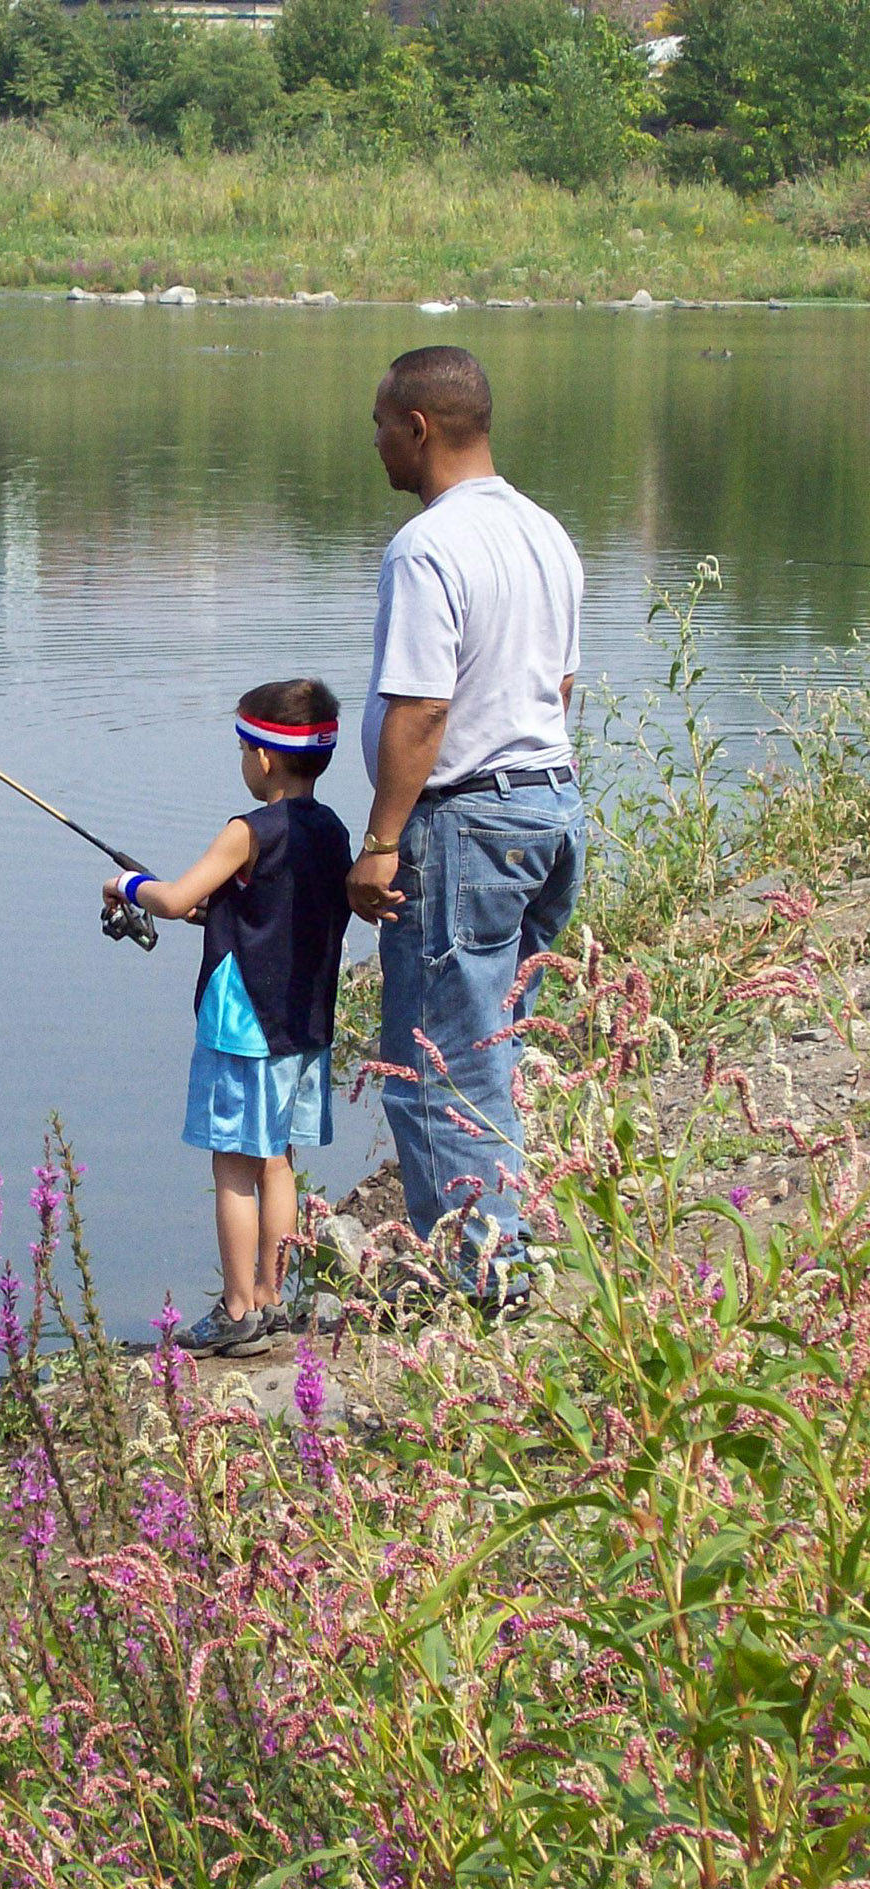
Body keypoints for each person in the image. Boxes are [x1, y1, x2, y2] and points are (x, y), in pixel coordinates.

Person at [346, 345, 585, 1302]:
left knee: (437, 1056)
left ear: (418, 427)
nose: (374, 445)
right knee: (493, 1042)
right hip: (548, 806)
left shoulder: (428, 546)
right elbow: (558, 686)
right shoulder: (546, 533)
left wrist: (379, 843)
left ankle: (483, 1286)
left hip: (466, 823)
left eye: (378, 426)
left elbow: (421, 709)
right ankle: (503, 1252)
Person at [104, 680, 352, 1357]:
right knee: (278, 1160)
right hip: (301, 1023)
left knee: (234, 1168)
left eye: (245, 749)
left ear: (266, 760)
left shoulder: (247, 830)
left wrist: (126, 885)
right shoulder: (332, 830)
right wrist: (217, 910)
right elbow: (274, 907)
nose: (243, 761)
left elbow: (176, 893)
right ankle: (272, 1300)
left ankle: (239, 1308)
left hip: (242, 1026)